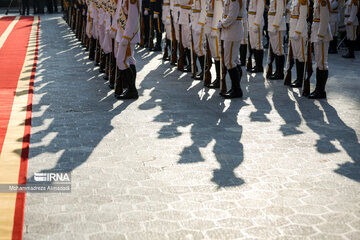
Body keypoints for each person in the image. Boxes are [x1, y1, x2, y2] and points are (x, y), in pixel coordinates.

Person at [217, 0, 245, 98]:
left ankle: (237, 89)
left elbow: (232, 16)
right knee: (234, 60)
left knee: (229, 61)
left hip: (232, 31)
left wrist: (222, 24)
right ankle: (235, 88)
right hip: (231, 31)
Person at [115, 0, 142, 99]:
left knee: (121, 60)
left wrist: (126, 37)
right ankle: (131, 89)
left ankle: (132, 90)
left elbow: (132, 18)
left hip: (129, 34)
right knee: (130, 60)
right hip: (125, 32)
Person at [308, 0, 332, 99]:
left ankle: (321, 91)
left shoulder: (323, 1)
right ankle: (318, 89)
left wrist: (320, 35)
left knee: (322, 63)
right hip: (316, 32)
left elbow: (325, 19)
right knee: (319, 62)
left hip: (321, 35)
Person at [288, 0, 309, 88]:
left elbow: (303, 16)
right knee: (296, 56)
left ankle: (301, 80)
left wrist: (298, 31)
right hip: (293, 29)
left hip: (299, 31)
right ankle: (298, 78)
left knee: (301, 56)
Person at [267, 0, 286, 80]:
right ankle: (277, 71)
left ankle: (280, 73)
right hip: (272, 23)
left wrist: (275, 25)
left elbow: (280, 10)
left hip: (277, 26)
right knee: (275, 49)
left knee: (279, 49)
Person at [247, 0, 265, 72]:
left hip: (256, 22)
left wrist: (257, 23)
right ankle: (257, 65)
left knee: (258, 44)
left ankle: (259, 66)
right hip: (251, 21)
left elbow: (260, 10)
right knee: (253, 44)